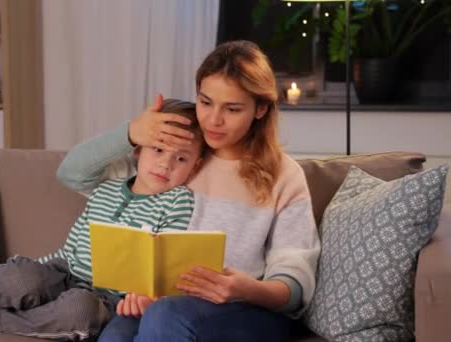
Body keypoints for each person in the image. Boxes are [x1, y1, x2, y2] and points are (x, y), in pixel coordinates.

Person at [56, 40, 321, 342]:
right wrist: (130, 133)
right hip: (159, 305)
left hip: (248, 311)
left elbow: (295, 279)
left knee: (166, 315)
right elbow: (72, 174)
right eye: (205, 102)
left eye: (232, 109)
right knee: (117, 333)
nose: (213, 119)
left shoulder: (283, 175)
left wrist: (248, 288)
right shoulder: (176, 155)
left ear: (260, 109)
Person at [0, 99, 206, 340]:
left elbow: (164, 262)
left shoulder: (178, 200)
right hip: (63, 271)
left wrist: (146, 296)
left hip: (108, 298)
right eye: (158, 149)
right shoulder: (108, 186)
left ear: (195, 167)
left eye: (181, 159)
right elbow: (71, 243)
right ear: (138, 150)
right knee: (21, 276)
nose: (166, 164)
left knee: (81, 311)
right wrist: (22, 267)